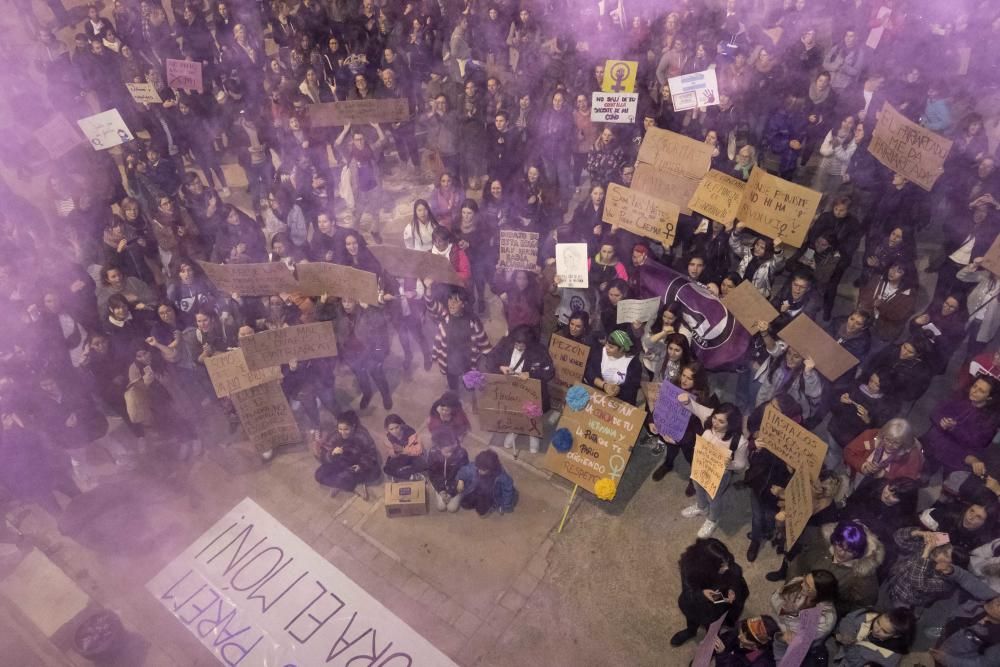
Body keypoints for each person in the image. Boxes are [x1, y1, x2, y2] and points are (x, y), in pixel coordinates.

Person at [789, 520, 885, 616]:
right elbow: (799, 564)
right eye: (840, 545)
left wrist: (830, 610)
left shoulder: (863, 575)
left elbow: (862, 606)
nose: (842, 553)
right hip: (799, 593)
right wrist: (792, 587)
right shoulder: (821, 545)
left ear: (858, 552)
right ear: (834, 539)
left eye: (850, 551)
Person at [483, 325, 554, 453]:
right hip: (509, 387)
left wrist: (531, 375)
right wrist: (500, 367)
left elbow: (549, 372)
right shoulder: (505, 343)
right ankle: (515, 429)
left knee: (532, 412)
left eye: (523, 344)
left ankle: (534, 433)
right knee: (514, 411)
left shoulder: (539, 350)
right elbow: (489, 359)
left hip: (530, 391)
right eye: (517, 343)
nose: (519, 347)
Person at [670, 538, 750, 647]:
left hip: (720, 606)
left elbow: (735, 571)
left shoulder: (723, 559)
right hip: (696, 605)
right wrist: (702, 594)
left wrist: (732, 588)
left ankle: (710, 645)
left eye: (726, 562)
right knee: (692, 619)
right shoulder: (689, 569)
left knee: (713, 629)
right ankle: (691, 631)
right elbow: (688, 594)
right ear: (706, 567)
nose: (727, 567)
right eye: (722, 565)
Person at [425, 285, 491, 392]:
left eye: (456, 301)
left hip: (467, 361)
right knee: (452, 384)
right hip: (449, 361)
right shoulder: (445, 316)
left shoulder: (472, 321)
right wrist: (428, 289)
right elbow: (432, 305)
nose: (451, 304)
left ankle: (469, 386)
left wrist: (492, 360)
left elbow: (483, 341)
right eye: (450, 299)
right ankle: (454, 392)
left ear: (464, 304)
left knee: (469, 384)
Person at [769, 570, 839, 663]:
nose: (802, 585)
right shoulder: (799, 582)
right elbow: (775, 598)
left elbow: (798, 638)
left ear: (820, 593)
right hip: (780, 623)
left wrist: (791, 613)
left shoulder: (825, 618)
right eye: (805, 579)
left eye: (808, 586)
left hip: (795, 644)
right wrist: (783, 609)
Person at [311, 411, 380, 497]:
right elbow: (323, 455)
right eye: (340, 429)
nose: (342, 432)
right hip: (341, 463)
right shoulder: (335, 434)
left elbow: (371, 454)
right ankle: (348, 484)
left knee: (375, 473)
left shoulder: (362, 435)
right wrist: (331, 453)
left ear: (353, 426)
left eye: (346, 429)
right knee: (319, 475)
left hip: (357, 464)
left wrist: (361, 465)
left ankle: (342, 483)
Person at [843, 418, 924, 488]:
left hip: (883, 489)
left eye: (896, 443)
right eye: (887, 439)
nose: (889, 445)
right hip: (858, 477)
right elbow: (848, 452)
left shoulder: (912, 456)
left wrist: (885, 475)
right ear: (883, 434)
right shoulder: (870, 435)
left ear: (904, 443)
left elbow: (908, 483)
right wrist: (862, 465)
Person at [833, 607, 914, 667]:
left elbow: (858, 664)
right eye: (878, 622)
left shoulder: (890, 657)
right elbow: (848, 620)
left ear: (896, 636)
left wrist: (849, 646)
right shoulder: (869, 614)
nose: (876, 629)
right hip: (837, 652)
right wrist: (848, 633)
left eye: (884, 631)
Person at [583, 329, 642, 405]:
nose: (606, 348)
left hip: (619, 402)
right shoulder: (600, 353)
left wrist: (618, 390)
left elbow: (633, 387)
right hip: (599, 397)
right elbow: (589, 373)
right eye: (606, 344)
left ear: (621, 349)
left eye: (611, 347)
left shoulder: (633, 363)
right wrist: (604, 385)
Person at [457, 449, 516, 516]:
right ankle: (477, 500)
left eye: (483, 470)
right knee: (464, 504)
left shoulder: (501, 476)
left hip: (489, 495)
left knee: (481, 512)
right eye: (478, 468)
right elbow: (465, 470)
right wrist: (460, 480)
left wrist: (505, 506)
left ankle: (489, 505)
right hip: (476, 489)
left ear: (491, 468)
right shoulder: (477, 465)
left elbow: (508, 490)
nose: (479, 471)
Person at [426, 427, 469, 513]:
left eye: (453, 450)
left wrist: (451, 493)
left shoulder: (461, 453)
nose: (451, 454)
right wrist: (441, 490)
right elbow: (432, 474)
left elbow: (463, 473)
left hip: (455, 483)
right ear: (438, 448)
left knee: (452, 508)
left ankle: (461, 493)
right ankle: (437, 491)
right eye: (448, 452)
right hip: (440, 482)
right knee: (441, 507)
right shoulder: (433, 453)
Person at [712, 615, 781, 667]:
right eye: (741, 631)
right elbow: (727, 638)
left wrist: (722, 655)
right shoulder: (742, 630)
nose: (740, 636)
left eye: (745, 637)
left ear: (756, 646)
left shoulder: (762, 663)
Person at [381, 414, 426, 482]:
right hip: (400, 458)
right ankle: (411, 476)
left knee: (423, 464)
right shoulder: (387, 438)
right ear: (387, 430)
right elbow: (391, 454)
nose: (395, 431)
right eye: (391, 429)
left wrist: (403, 450)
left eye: (397, 427)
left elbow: (419, 450)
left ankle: (401, 472)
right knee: (387, 469)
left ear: (401, 425)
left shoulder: (411, 433)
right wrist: (395, 452)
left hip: (413, 456)